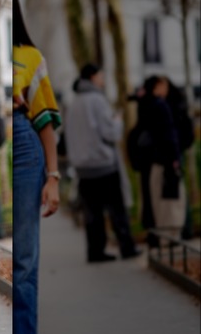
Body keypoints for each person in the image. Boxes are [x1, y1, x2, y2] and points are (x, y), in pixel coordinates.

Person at [11, 0, 61, 334]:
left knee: (24, 261)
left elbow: (44, 120)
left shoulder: (30, 58)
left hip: (25, 148)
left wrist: (54, 177)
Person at [65, 64, 140, 262]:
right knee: (117, 209)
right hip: (103, 164)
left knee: (92, 213)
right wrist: (118, 121)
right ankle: (127, 247)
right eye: (101, 75)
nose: (103, 78)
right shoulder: (98, 100)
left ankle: (95, 251)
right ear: (92, 76)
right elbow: (111, 133)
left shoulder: (74, 104)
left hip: (83, 167)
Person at [135, 76, 186, 242]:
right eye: (163, 86)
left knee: (157, 200)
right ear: (156, 88)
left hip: (151, 160)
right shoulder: (161, 105)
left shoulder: (145, 105)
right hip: (165, 160)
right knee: (170, 201)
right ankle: (170, 237)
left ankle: (160, 236)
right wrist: (175, 158)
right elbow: (169, 134)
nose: (166, 89)